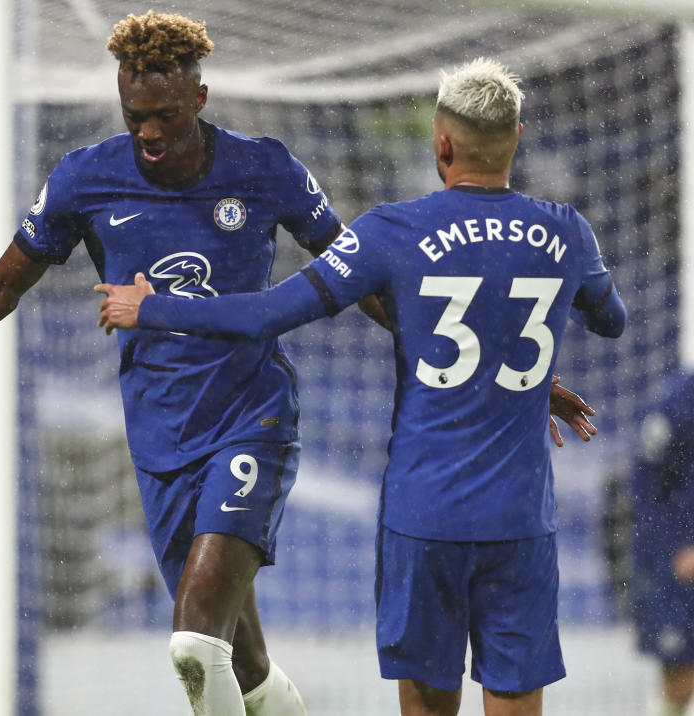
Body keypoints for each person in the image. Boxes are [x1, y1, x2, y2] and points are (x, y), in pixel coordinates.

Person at [0, 16, 595, 711]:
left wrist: (500, 372)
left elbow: (377, 287)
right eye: (135, 115)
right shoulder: (85, 178)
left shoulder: (267, 169)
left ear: (200, 99)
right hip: (159, 441)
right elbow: (0, 287)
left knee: (191, 642)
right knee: (244, 672)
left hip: (252, 423)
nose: (148, 133)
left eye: (166, 116)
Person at [96, 58, 626, 716]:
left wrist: (150, 309)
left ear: (440, 141)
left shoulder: (391, 233)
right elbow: (612, 321)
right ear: (517, 136)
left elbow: (265, 313)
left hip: (422, 516)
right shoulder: (565, 231)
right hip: (521, 518)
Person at [631, 370, 694, 716]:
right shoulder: (680, 399)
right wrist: (678, 546)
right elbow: (644, 479)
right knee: (681, 675)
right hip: (678, 563)